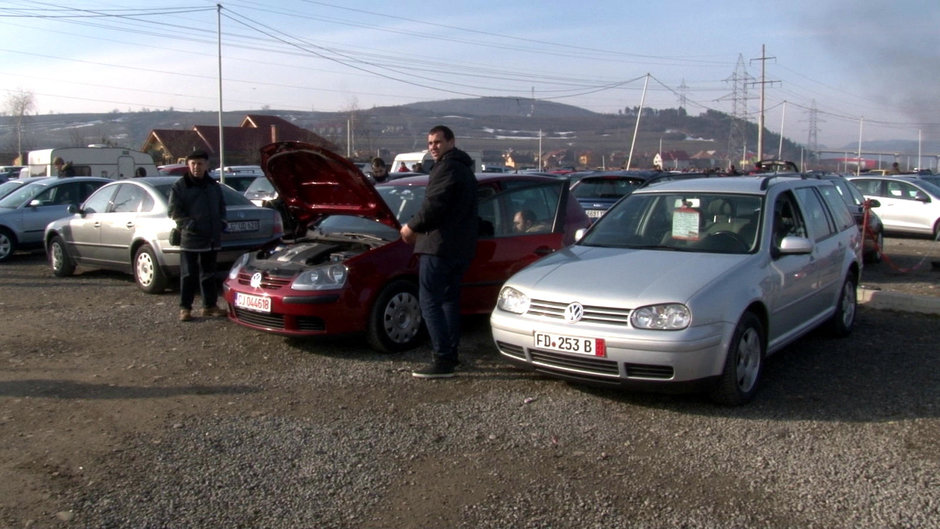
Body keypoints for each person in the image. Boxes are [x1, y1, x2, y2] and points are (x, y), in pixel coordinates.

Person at [400, 125, 478, 378]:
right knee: (448, 300)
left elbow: (435, 205)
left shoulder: (447, 167)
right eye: (430, 143)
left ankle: (443, 358)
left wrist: (411, 227)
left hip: (439, 246)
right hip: (458, 247)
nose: (433, 146)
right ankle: (450, 354)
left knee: (429, 301)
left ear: (451, 142)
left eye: (438, 142)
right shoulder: (464, 168)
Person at [168, 151, 227, 322]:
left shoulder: (213, 186)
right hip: (191, 238)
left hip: (211, 237)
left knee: (209, 274)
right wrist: (187, 224)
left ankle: (209, 306)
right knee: (188, 275)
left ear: (206, 165)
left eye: (200, 164)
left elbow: (221, 206)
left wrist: (222, 221)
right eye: (193, 164)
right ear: (188, 165)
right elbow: (173, 211)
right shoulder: (180, 186)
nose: (196, 167)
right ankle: (185, 308)